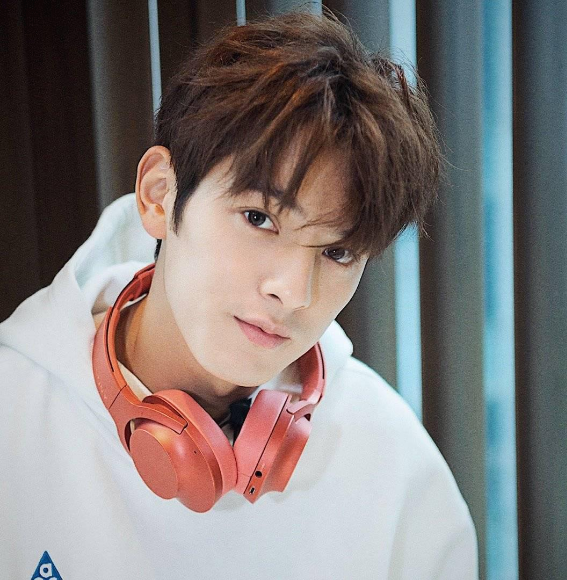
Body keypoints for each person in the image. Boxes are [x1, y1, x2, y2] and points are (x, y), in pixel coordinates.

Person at [0, 10, 477, 580]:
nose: (292, 292)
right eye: (258, 218)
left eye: (337, 252)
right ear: (159, 195)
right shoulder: (14, 413)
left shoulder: (395, 464)